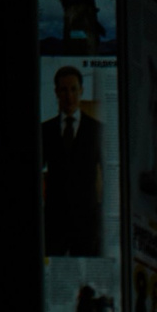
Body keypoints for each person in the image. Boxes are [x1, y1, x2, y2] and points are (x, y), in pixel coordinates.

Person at [42, 67, 104, 256]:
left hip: (87, 222)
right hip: (54, 220)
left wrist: (100, 214)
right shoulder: (45, 130)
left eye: (73, 89)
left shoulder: (97, 130)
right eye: (64, 90)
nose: (69, 96)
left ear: (81, 91)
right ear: (56, 92)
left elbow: (109, 174)